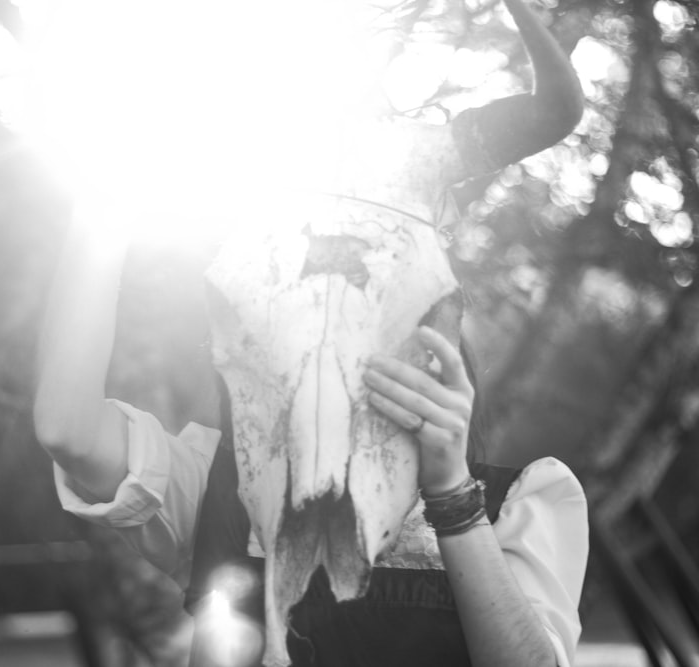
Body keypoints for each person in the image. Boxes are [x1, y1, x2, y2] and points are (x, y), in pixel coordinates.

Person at [33, 0, 588, 665]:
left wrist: (453, 497)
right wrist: (105, 201)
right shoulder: (217, 483)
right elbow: (66, 429)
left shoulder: (524, 501)